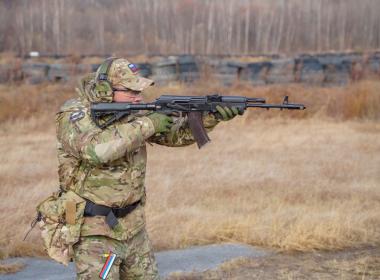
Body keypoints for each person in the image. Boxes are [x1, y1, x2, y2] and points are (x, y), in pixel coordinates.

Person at [55, 57, 242, 279]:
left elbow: (176, 136)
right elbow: (95, 150)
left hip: (133, 228)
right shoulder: (75, 114)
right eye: (131, 91)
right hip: (95, 233)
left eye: (139, 91)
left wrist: (211, 117)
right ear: (105, 89)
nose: (138, 97)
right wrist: (148, 124)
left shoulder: (134, 112)